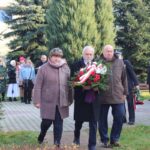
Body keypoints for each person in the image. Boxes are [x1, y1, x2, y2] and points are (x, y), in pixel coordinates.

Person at [33, 48, 72, 147]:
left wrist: (70, 98)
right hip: (47, 101)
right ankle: (42, 135)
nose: (57, 58)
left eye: (59, 56)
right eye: (55, 56)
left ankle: (57, 144)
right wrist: (37, 101)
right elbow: (37, 85)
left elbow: (69, 85)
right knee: (46, 122)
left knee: (59, 123)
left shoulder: (66, 68)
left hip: (61, 101)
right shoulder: (43, 68)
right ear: (50, 57)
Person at [98, 45, 128, 148]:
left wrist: (125, 93)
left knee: (120, 116)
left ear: (113, 51)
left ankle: (114, 139)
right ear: (103, 52)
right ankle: (104, 140)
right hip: (102, 97)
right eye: (107, 51)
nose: (109, 53)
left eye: (110, 51)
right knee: (102, 120)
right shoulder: (98, 63)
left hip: (118, 96)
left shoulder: (120, 62)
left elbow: (124, 79)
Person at [71, 46, 98, 150]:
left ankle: (92, 145)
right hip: (81, 98)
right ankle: (76, 137)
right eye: (87, 54)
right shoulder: (76, 65)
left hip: (94, 98)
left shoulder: (98, 66)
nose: (89, 56)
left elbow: (103, 80)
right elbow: (72, 81)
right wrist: (81, 85)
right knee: (79, 121)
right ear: (83, 54)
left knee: (94, 122)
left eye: (91, 54)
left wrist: (96, 87)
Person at [124, 60, 139, 125]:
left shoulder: (126, 62)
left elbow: (132, 73)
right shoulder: (114, 62)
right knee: (120, 104)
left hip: (128, 86)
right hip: (119, 87)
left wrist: (136, 84)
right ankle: (122, 118)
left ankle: (131, 119)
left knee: (130, 103)